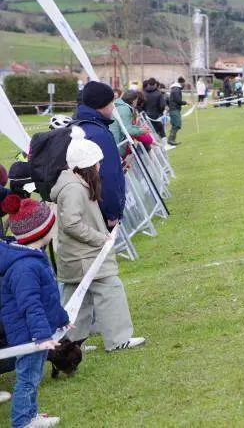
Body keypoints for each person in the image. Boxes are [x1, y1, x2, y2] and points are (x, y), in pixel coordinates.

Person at [51, 129, 145, 355]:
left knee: (77, 301)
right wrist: (99, 238)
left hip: (77, 256)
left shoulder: (74, 183)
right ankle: (118, 338)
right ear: (86, 166)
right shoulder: (73, 188)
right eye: (97, 164)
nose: (99, 167)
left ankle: (71, 344)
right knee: (110, 289)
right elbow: (72, 223)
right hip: (85, 255)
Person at [0, 196, 68, 428]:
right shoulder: (24, 267)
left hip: (38, 333)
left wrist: (62, 320)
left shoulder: (33, 258)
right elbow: (31, 304)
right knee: (27, 378)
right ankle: (22, 421)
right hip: (29, 335)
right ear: (42, 232)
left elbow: (48, 298)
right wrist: (42, 336)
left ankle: (32, 415)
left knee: (34, 375)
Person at [75, 81, 125, 227]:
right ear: (103, 105)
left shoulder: (79, 125)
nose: (113, 108)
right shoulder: (99, 134)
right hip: (100, 213)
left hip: (85, 209)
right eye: (111, 103)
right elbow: (106, 175)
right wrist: (113, 213)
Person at [109, 89, 149, 157]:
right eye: (136, 100)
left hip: (113, 142)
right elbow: (127, 130)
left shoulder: (117, 106)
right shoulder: (124, 109)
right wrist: (142, 130)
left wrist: (139, 128)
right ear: (133, 100)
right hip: (117, 145)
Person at [167, 77, 187, 146]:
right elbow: (178, 101)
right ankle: (171, 140)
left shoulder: (176, 89)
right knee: (177, 124)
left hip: (174, 109)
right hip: (174, 109)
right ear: (181, 83)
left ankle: (172, 139)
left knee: (176, 124)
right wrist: (186, 102)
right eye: (184, 83)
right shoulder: (176, 89)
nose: (184, 85)